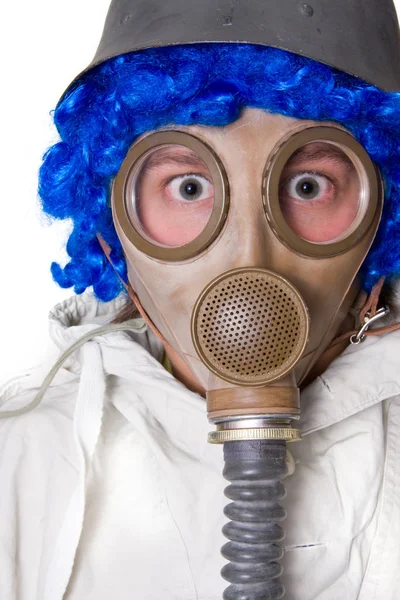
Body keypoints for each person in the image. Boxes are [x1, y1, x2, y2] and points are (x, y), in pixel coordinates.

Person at [2, 1, 400, 598]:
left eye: (308, 185)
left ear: (383, 213)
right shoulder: (21, 467)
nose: (249, 261)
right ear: (109, 224)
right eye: (188, 187)